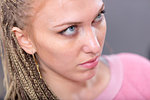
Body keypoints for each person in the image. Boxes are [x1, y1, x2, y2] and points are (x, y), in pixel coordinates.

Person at [0, 0, 150, 100]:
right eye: (69, 29)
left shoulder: (140, 74)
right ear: (25, 39)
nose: (95, 46)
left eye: (98, 16)